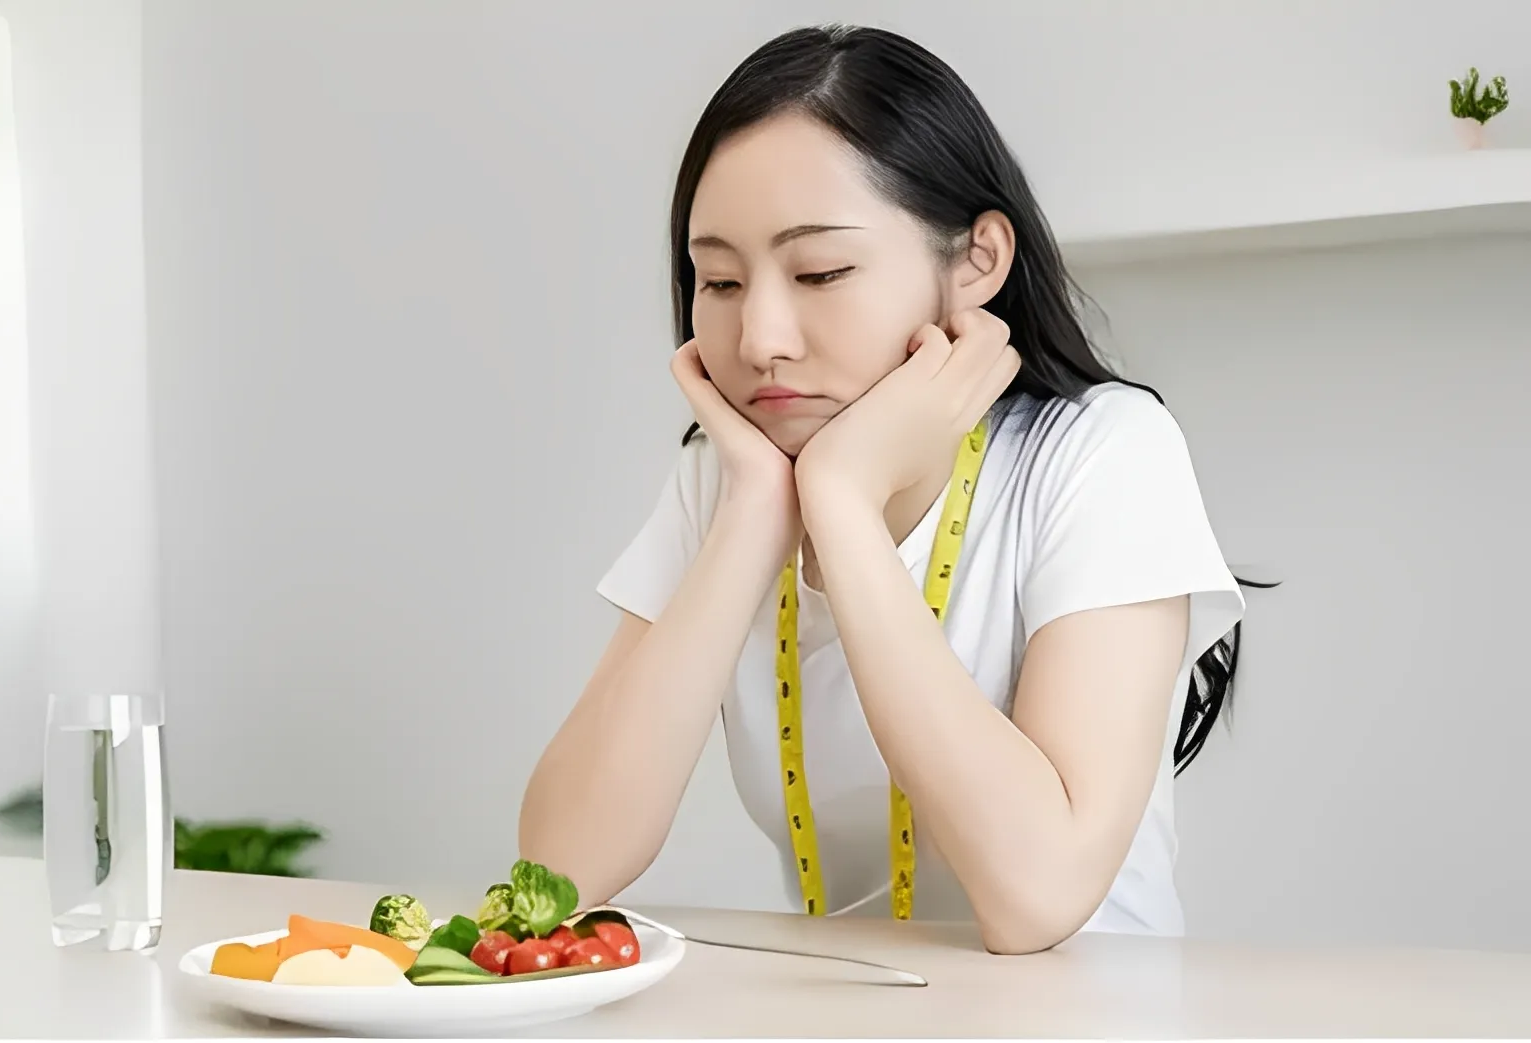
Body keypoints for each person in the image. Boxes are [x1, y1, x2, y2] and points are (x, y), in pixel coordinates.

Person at [519, 23, 1253, 955]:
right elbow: (562, 861)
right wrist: (755, 512)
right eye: (721, 280)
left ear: (978, 260)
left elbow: (1038, 896)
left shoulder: (1102, 454)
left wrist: (844, 504)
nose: (760, 339)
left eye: (821, 271)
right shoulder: (728, 477)